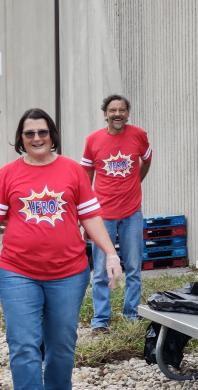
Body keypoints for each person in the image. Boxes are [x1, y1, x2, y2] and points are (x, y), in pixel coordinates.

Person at [0, 108, 122, 390]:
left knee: (61, 346)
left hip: (68, 274)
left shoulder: (72, 171)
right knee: (23, 345)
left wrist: (111, 253)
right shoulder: (7, 175)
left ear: (52, 135)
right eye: (29, 133)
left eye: (42, 132)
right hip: (18, 273)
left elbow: (90, 217)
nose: (37, 138)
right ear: (21, 138)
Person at [81, 94, 152, 333]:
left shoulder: (139, 136)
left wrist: (137, 180)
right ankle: (101, 320)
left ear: (127, 113)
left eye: (122, 110)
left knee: (134, 267)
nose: (117, 114)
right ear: (105, 114)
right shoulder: (93, 141)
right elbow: (85, 177)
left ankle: (131, 314)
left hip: (132, 213)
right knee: (100, 269)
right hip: (102, 215)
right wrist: (84, 210)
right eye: (113, 110)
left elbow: (148, 159)